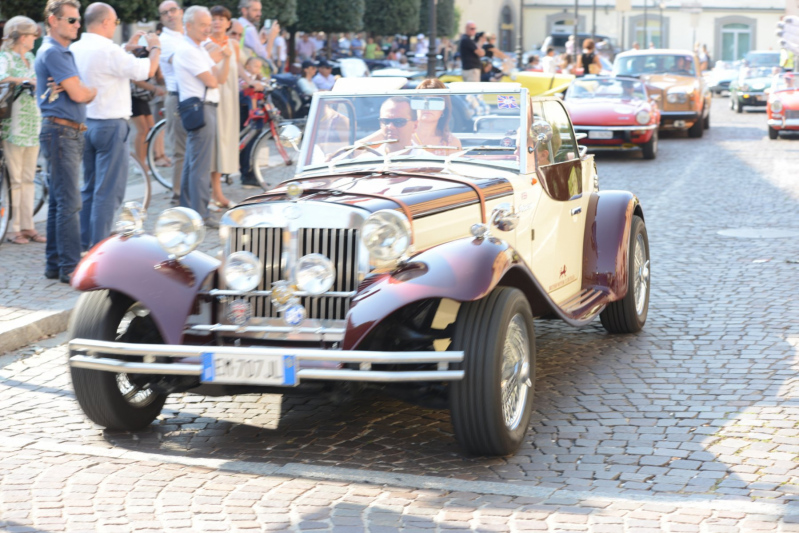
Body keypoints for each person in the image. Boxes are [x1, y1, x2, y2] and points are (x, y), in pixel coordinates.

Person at [70, 3, 159, 251]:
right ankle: (99, 248)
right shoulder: (109, 51)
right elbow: (147, 70)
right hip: (110, 124)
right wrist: (155, 47)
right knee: (108, 191)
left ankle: (85, 243)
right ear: (106, 22)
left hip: (85, 122)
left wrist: (125, 48)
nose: (115, 26)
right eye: (115, 22)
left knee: (89, 187)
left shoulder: (75, 48)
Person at [35, 0, 97, 283]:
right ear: (53, 20)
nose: (77, 25)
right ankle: (70, 267)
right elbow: (80, 94)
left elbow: (75, 90)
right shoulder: (54, 52)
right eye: (71, 20)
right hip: (61, 132)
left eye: (78, 19)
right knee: (69, 203)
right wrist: (89, 90)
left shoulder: (59, 51)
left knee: (60, 202)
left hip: (64, 131)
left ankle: (55, 264)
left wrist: (80, 89)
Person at [174, 5, 230, 226]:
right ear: (188, 26)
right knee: (200, 165)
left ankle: (189, 211)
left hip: (203, 107)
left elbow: (220, 78)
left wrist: (226, 59)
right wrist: (219, 63)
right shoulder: (188, 50)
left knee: (193, 163)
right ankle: (200, 214)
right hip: (201, 107)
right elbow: (212, 81)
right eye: (203, 25)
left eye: (209, 24)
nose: (208, 29)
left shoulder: (198, 48)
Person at [0, 16, 44, 245]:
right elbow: (1, 78)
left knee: (28, 178)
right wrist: (23, 80)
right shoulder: (5, 57)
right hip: (14, 125)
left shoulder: (31, 57)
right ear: (23, 37)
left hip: (33, 124)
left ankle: (28, 226)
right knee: (15, 180)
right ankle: (12, 228)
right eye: (32, 35)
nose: (35, 39)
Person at [207, 5, 240, 210]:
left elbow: (241, 68)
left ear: (229, 23)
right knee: (214, 145)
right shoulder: (206, 44)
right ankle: (214, 193)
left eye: (222, 19)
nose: (218, 22)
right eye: (214, 18)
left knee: (225, 144)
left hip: (230, 99)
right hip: (213, 98)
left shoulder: (234, 44)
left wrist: (254, 80)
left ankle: (217, 193)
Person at [157, 0, 186, 204]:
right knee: (180, 150)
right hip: (177, 96)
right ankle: (178, 195)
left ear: (181, 12)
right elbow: (184, 63)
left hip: (194, 95)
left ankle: (193, 193)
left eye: (173, 10)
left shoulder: (187, 35)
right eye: (165, 12)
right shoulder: (164, 40)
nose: (170, 14)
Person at [414, 78, 461, 156]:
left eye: (434, 101)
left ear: (443, 109)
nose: (427, 106)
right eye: (422, 100)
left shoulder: (452, 143)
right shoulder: (405, 137)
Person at [236, 0, 279, 68]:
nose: (259, 14)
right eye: (255, 10)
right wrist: (271, 38)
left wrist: (259, 41)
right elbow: (265, 57)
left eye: (260, 10)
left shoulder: (238, 23)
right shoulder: (250, 30)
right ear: (244, 11)